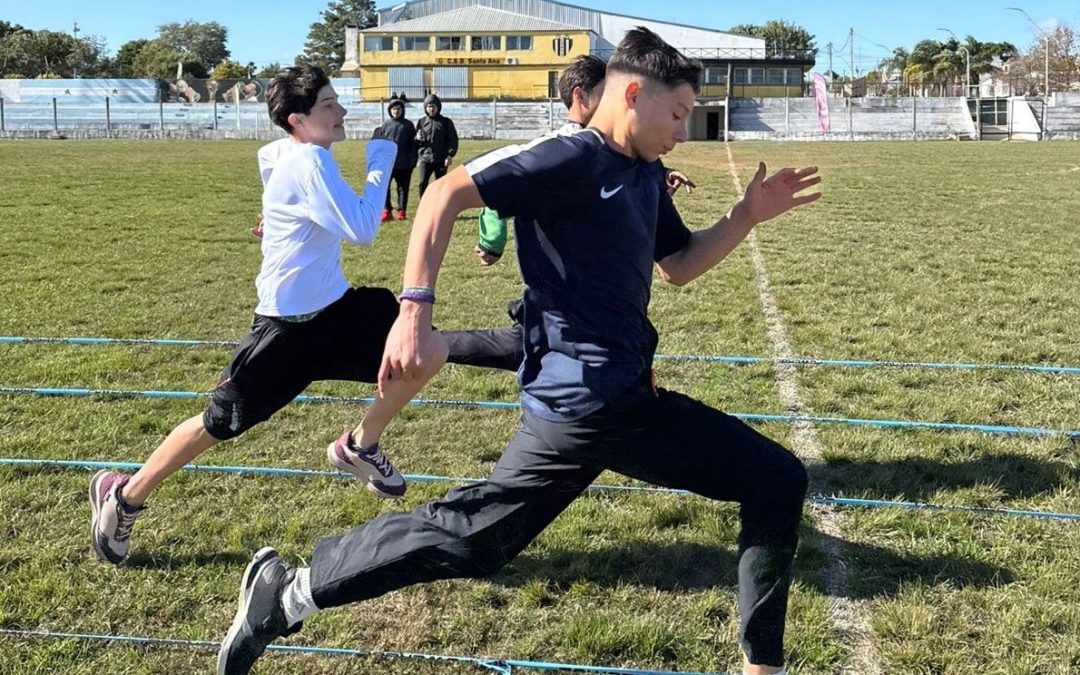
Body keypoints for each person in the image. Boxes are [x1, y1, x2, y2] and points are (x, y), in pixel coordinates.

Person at [217, 28, 820, 675]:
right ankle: (290, 592)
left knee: (773, 481)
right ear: (635, 95)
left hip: (626, 400)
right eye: (676, 113)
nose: (682, 129)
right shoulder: (566, 158)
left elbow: (677, 263)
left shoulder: (643, 171)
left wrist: (746, 215)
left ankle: (763, 665)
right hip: (578, 407)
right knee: (473, 537)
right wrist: (413, 311)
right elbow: (446, 196)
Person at [88, 66, 517, 567]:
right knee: (218, 424)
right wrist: (380, 157)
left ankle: (360, 445)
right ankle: (125, 496)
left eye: (337, 101)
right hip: (285, 329)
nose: (342, 112)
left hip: (337, 310)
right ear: (298, 120)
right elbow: (361, 229)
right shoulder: (310, 160)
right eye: (329, 107)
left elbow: (268, 163)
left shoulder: (287, 153)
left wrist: (273, 215)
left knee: (421, 350)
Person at [474, 54, 696, 266]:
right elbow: (496, 189)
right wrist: (491, 242)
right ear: (580, 97)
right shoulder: (559, 150)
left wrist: (660, 177)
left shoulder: (616, 147)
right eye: (607, 94)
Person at [377, 97, 418, 222]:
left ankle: (401, 211)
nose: (396, 111)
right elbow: (380, 144)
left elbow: (414, 145)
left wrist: (412, 161)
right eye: (394, 109)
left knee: (403, 188)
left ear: (402, 110)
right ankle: (387, 211)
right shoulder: (386, 125)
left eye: (398, 109)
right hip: (388, 163)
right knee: (385, 187)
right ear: (390, 111)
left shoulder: (408, 125)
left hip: (404, 164)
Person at [415, 93, 458, 198]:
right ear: (425, 108)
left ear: (438, 107)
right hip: (425, 159)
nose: (431, 109)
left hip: (441, 159)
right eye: (429, 107)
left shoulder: (446, 122)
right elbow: (416, 141)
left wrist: (449, 155)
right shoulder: (421, 122)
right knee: (422, 183)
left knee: (441, 185)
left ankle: (440, 208)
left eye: (433, 106)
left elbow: (453, 140)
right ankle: (424, 206)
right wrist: (417, 138)